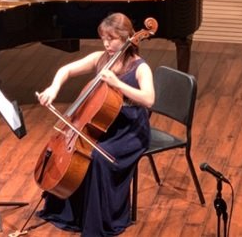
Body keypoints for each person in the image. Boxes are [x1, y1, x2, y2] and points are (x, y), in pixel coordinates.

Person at [36, 13, 155, 236]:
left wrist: (118, 83)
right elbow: (66, 70)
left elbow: (149, 99)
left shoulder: (140, 67)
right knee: (79, 155)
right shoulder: (100, 58)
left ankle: (100, 221)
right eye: (104, 39)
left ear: (128, 37)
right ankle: (70, 212)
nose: (107, 44)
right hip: (104, 124)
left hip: (130, 130)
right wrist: (54, 87)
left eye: (112, 39)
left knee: (98, 158)